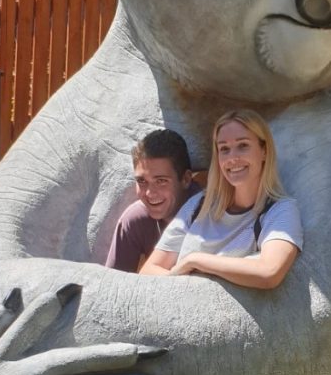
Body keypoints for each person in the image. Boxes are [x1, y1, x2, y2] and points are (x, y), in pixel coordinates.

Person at [140, 110, 302, 289]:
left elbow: (269, 273)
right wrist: (187, 286)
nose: (232, 158)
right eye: (224, 149)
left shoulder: (280, 211)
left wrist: (196, 261)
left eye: (243, 145)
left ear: (264, 151)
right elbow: (148, 271)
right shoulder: (199, 204)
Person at [105, 128, 201, 272]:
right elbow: (114, 280)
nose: (150, 193)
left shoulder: (210, 213)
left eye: (161, 181)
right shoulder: (136, 219)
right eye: (142, 181)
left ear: (186, 179)